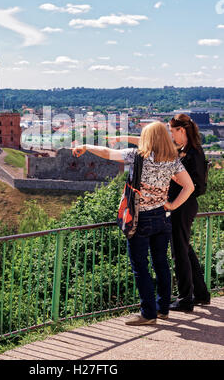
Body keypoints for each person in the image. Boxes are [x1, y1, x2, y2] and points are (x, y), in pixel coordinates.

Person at [72, 122, 195, 326]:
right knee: (161, 264)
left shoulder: (138, 156)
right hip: (162, 218)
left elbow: (108, 153)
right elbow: (189, 186)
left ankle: (148, 314)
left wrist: (86, 147)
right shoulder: (172, 160)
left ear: (147, 138)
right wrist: (171, 205)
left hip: (139, 218)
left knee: (140, 266)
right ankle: (163, 308)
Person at [168, 114, 210, 312]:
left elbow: (194, 185)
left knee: (179, 252)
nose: (171, 135)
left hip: (182, 205)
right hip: (184, 205)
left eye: (172, 131)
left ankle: (185, 299)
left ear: (181, 130)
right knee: (185, 249)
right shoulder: (191, 151)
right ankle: (201, 294)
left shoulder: (192, 153)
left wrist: (172, 177)